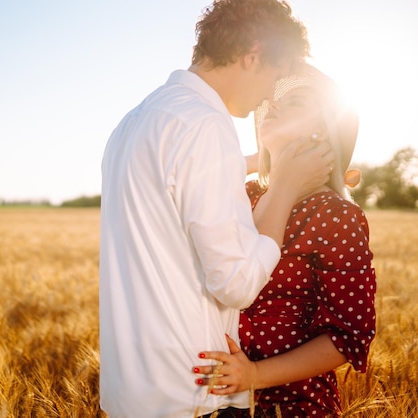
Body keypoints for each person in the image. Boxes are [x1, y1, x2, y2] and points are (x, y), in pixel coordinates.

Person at [99, 1, 338, 416]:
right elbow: (236, 284)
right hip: (194, 393)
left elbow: (186, 180)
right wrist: (283, 189)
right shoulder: (208, 125)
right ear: (253, 55)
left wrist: (263, 163)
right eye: (275, 76)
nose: (270, 95)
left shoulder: (132, 123)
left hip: (131, 396)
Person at [192, 63, 377, 417]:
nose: (273, 105)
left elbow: (348, 336)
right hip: (217, 398)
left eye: (295, 103)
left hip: (293, 404)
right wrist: (266, 163)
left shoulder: (337, 215)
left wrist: (255, 374)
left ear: (323, 132)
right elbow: (187, 182)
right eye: (272, 103)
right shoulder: (242, 195)